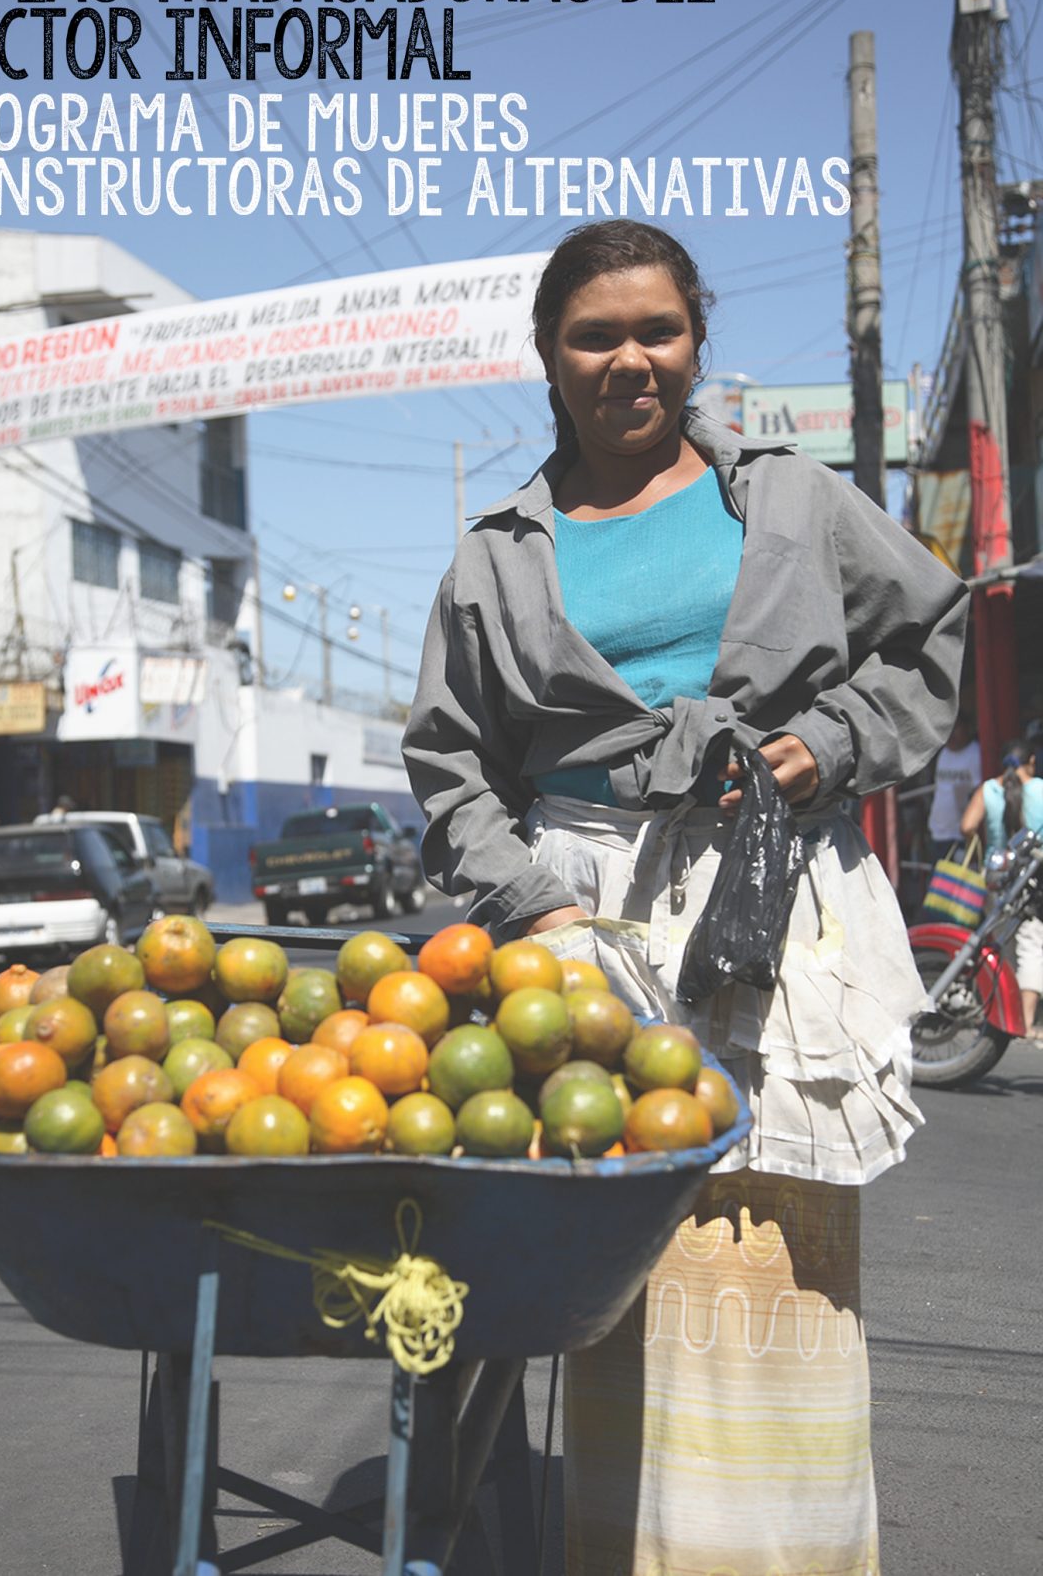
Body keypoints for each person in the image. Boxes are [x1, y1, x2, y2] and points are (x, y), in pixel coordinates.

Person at [403, 220, 969, 1576]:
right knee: (621, 1274)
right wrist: (536, 906)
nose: (628, 359)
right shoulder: (495, 555)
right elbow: (450, 765)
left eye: (655, 329)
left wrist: (828, 743)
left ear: (697, 342)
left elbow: (925, 638)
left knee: (774, 1254)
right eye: (594, 335)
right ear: (549, 357)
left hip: (782, 905)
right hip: (582, 922)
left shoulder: (790, 501)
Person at [960, 737, 1043, 1037]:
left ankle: (1001, 1014)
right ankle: (1026, 1020)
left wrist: (980, 849)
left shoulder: (988, 789)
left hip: (997, 874)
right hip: (1031, 877)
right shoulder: (1040, 789)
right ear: (1031, 761)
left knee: (1001, 944)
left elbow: (967, 826)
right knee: (1032, 946)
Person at [926, 714, 982, 862]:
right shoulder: (943, 754)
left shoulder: (976, 754)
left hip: (960, 834)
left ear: (967, 728)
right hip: (938, 831)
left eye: (956, 727)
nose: (951, 733)